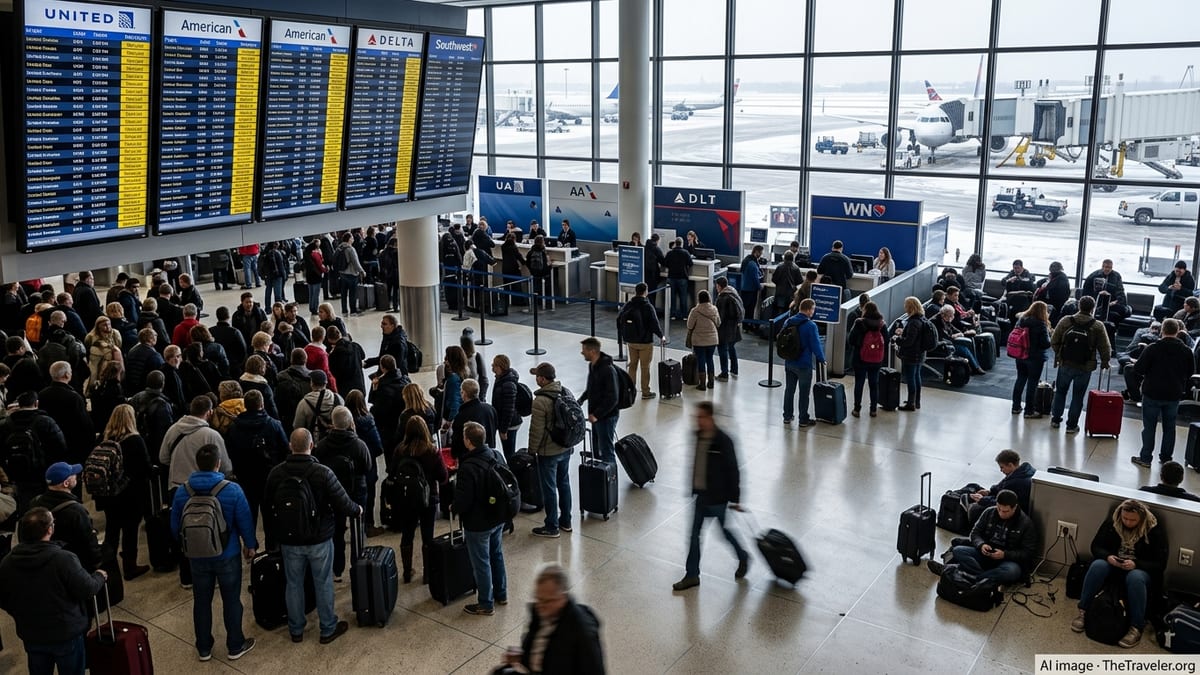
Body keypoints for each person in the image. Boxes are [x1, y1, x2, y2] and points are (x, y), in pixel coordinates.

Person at [264, 428, 361, 644]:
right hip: (319, 538)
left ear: (291, 446)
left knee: (294, 583)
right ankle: (327, 628)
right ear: (311, 446)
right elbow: (343, 502)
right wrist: (357, 510)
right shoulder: (322, 472)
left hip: (289, 539)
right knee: (323, 581)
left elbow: (267, 507)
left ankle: (296, 629)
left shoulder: (276, 473)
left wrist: (273, 537)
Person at [170, 445, 258, 662]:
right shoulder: (232, 489)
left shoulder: (183, 491)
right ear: (218, 463)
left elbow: (174, 526)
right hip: (227, 554)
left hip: (197, 556)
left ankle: (204, 648)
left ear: (197, 464)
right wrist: (250, 545)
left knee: (201, 601)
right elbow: (245, 521)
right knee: (231, 600)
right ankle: (235, 645)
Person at [0, 507, 108, 675]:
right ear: (49, 529)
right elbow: (87, 589)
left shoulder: (7, 563)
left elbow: (3, 598)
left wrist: (21, 613)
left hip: (32, 633)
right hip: (66, 633)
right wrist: (99, 576)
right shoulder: (63, 559)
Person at [672, 401, 749, 591]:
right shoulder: (698, 435)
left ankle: (743, 556)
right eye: (696, 417)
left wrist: (736, 498)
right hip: (701, 496)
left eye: (701, 417)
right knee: (694, 536)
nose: (697, 421)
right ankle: (692, 575)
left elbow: (733, 470)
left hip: (717, 498)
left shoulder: (723, 441)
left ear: (710, 418)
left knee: (724, 533)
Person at [1070, 499, 1167, 648]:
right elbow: (1095, 546)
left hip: (1140, 570)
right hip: (1115, 563)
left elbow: (1160, 564)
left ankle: (1136, 626)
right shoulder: (1113, 523)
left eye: (1132, 520)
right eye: (1125, 518)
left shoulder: (1153, 530)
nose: (1127, 522)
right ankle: (1083, 610)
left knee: (1136, 578)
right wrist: (1108, 557)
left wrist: (1136, 564)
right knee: (1097, 565)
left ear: (1141, 518)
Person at [501, 563, 604, 674]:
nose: (540, 606)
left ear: (563, 597)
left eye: (547, 601)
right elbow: (543, 649)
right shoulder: (541, 611)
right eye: (538, 599)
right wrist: (523, 655)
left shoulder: (583, 632)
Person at [927, 489, 1036, 587]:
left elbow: (1028, 552)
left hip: (1006, 559)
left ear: (1014, 507)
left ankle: (961, 573)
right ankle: (984, 578)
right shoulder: (989, 512)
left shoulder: (1026, 523)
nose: (1001, 513)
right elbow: (975, 533)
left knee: (1012, 571)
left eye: (1005, 511)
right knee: (958, 551)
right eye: (999, 509)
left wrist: (1005, 554)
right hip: (985, 553)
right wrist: (981, 544)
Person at [453, 421, 508, 615]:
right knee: (497, 554)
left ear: (468, 441)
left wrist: (454, 507)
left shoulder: (468, 467)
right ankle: (501, 593)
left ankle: (485, 603)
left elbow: (463, 500)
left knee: (481, 562)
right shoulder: (496, 455)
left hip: (478, 523)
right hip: (498, 516)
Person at [313, 406, 372, 582]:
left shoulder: (323, 445)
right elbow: (367, 467)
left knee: (336, 531)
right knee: (357, 530)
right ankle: (357, 566)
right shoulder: (358, 444)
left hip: (333, 493)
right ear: (350, 423)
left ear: (333, 423)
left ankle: (337, 569)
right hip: (357, 491)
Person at [96, 404, 152, 580]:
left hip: (109, 494)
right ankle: (130, 566)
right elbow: (145, 468)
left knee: (112, 529)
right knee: (130, 530)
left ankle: (108, 565)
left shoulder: (105, 440)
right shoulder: (135, 441)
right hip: (131, 494)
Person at [389, 416, 447, 582]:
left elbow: (391, 473)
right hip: (428, 499)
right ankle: (427, 573)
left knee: (407, 534)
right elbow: (442, 477)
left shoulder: (400, 450)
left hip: (406, 498)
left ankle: (407, 572)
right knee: (427, 536)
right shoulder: (431, 451)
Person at [1130, 318, 1194, 467]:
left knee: (1149, 427)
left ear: (1162, 330)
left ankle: (1145, 458)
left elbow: (1138, 369)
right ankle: (1166, 458)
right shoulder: (1186, 351)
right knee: (1170, 428)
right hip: (1174, 393)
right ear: (1177, 331)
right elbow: (1191, 372)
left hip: (1152, 392)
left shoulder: (1153, 348)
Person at [226, 390, 288, 534]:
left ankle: (250, 546)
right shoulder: (274, 425)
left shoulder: (234, 427)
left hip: (244, 476)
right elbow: (285, 449)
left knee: (248, 513)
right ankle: (272, 548)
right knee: (271, 514)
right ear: (262, 404)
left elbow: (229, 450)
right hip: (269, 476)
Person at [1050, 295, 1112, 434]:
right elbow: (1105, 346)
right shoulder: (1097, 325)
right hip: (1085, 366)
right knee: (1078, 396)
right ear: (1093, 308)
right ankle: (1071, 426)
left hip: (1065, 363)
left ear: (1079, 306)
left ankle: (1055, 419)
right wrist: (1105, 361)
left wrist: (1060, 354)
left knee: (1060, 392)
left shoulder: (1066, 320)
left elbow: (1054, 340)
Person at [29, 461, 103, 574]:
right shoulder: (76, 511)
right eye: (73, 474)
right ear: (66, 483)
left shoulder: (35, 503)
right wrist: (97, 564)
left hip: (49, 565)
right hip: (76, 566)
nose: (76, 476)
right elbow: (89, 543)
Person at [527, 363, 573, 538]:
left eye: (537, 376)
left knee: (549, 488)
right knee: (564, 483)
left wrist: (532, 450)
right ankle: (566, 521)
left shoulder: (540, 401)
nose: (536, 379)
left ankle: (552, 526)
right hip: (566, 447)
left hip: (549, 452)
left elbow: (536, 430)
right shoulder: (565, 391)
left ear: (543, 379)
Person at [160, 395, 232, 489]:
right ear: (209, 412)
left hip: (177, 486)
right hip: (205, 489)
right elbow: (226, 468)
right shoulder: (212, 435)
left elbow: (163, 458)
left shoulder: (173, 430)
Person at [344, 390, 384, 537]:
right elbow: (378, 446)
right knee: (369, 494)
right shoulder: (367, 420)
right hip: (367, 464)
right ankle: (368, 524)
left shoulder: (344, 422)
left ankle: (350, 523)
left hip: (347, 466)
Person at [38, 360, 93, 464]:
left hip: (49, 444)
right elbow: (85, 425)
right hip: (71, 445)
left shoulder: (42, 394)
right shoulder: (74, 397)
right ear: (67, 375)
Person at [781, 298, 825, 426]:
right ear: (808, 310)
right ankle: (803, 419)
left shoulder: (788, 321)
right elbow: (816, 345)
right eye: (813, 309)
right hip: (804, 364)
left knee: (789, 390)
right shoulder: (811, 326)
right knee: (804, 392)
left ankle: (787, 416)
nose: (813, 312)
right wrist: (822, 359)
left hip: (789, 361)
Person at [617, 282, 665, 399]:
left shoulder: (628, 305)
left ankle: (631, 390)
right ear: (646, 292)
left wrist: (623, 334)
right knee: (645, 367)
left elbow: (619, 319)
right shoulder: (647, 306)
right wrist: (661, 335)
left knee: (632, 366)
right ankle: (645, 392)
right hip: (645, 342)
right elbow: (654, 323)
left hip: (631, 341)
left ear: (636, 292)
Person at [578, 337, 620, 464]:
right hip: (597, 416)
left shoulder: (607, 370)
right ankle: (600, 477)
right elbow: (591, 388)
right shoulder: (593, 366)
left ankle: (611, 479)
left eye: (584, 350)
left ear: (593, 351)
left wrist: (597, 415)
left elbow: (613, 397)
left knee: (607, 450)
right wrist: (581, 400)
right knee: (598, 449)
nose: (582, 353)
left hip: (607, 417)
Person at [1010, 300, 1053, 418]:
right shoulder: (1041, 324)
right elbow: (1045, 344)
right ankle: (1029, 411)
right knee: (1032, 383)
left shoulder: (1021, 321)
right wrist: (1050, 336)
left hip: (1020, 355)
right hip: (1035, 358)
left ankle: (1015, 407)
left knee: (1020, 379)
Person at [846, 301, 887, 417]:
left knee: (859, 383)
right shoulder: (881, 324)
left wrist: (860, 344)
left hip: (860, 358)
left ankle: (857, 409)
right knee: (874, 384)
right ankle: (873, 409)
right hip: (876, 360)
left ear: (865, 310)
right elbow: (887, 339)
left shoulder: (859, 322)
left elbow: (851, 339)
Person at [893, 296, 931, 412]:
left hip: (911, 355)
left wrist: (898, 339)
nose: (904, 307)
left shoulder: (913, 322)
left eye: (906, 305)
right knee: (916, 376)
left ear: (910, 307)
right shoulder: (922, 319)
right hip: (920, 354)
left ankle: (911, 403)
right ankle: (916, 401)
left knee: (911, 378)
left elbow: (909, 341)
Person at [451, 378, 498, 460]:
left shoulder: (461, 417)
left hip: (470, 458)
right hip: (490, 454)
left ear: (464, 393)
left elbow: (457, 441)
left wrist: (455, 455)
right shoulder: (490, 409)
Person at [932, 306, 986, 375]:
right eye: (950, 316)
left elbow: (953, 329)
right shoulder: (936, 322)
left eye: (952, 315)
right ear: (943, 314)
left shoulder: (944, 319)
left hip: (948, 342)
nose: (952, 317)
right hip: (941, 345)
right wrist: (958, 335)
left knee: (969, 342)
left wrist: (962, 333)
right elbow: (946, 337)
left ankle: (973, 365)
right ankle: (975, 367)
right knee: (963, 349)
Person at [293, 370, 344, 441]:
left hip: (315, 442)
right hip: (336, 441)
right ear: (326, 383)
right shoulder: (338, 398)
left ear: (312, 384)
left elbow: (297, 427)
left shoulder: (304, 403)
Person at [686, 290, 721, 391]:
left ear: (699, 299)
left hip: (699, 340)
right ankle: (711, 382)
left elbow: (689, 325)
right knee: (710, 359)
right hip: (712, 340)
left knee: (701, 359)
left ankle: (702, 384)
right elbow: (718, 323)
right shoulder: (714, 309)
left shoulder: (695, 311)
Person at [490, 355, 523, 462]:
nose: (492, 367)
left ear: (500, 367)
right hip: (507, 422)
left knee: (509, 453)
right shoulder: (501, 378)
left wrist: (503, 430)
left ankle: (512, 473)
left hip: (510, 424)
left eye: (494, 365)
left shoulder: (508, 383)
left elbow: (509, 409)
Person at [713, 277, 744, 382]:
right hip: (734, 328)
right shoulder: (733, 293)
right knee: (731, 348)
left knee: (722, 351)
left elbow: (719, 317)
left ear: (719, 286)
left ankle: (724, 373)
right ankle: (734, 370)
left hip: (724, 329)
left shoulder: (722, 298)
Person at [1083, 259, 1130, 325]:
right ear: (1102, 267)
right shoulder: (1093, 276)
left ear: (1112, 268)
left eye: (1109, 267)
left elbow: (1120, 291)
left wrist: (1116, 302)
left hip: (1111, 303)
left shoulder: (1116, 276)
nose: (1107, 269)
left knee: (1125, 310)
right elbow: (1086, 291)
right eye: (1105, 267)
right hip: (1096, 303)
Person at [331, 233, 367, 317]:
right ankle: (353, 311)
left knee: (343, 294)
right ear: (349, 239)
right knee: (352, 294)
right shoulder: (350, 249)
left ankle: (344, 311)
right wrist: (362, 271)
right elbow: (355, 262)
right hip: (351, 274)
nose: (353, 239)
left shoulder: (339, 248)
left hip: (342, 273)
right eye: (352, 238)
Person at [325, 326, 366, 396]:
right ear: (340, 334)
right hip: (359, 384)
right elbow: (363, 356)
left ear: (329, 339)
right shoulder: (355, 346)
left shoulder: (333, 355)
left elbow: (333, 372)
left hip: (345, 388)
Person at [665, 238, 693, 320]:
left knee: (672, 297)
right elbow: (690, 263)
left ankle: (673, 315)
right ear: (682, 244)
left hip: (671, 277)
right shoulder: (685, 253)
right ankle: (684, 315)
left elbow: (665, 263)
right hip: (682, 277)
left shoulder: (670, 253)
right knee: (683, 297)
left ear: (675, 243)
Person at [738, 244, 765, 324]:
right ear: (757, 252)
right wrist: (760, 287)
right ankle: (749, 326)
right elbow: (755, 279)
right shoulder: (753, 264)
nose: (761, 255)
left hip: (743, 288)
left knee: (745, 309)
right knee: (750, 309)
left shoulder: (746, 260)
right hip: (751, 290)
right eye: (761, 253)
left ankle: (745, 326)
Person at [770, 251, 802, 316]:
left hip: (780, 293)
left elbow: (774, 279)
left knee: (780, 313)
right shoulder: (796, 268)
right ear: (793, 258)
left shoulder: (780, 266)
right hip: (791, 294)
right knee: (790, 312)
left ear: (784, 258)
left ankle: (779, 325)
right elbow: (799, 281)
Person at [643, 232, 666, 298]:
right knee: (652, 294)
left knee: (645, 292)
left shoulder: (644, 248)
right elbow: (662, 261)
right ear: (657, 240)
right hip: (653, 274)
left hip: (644, 273)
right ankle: (651, 307)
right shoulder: (656, 249)